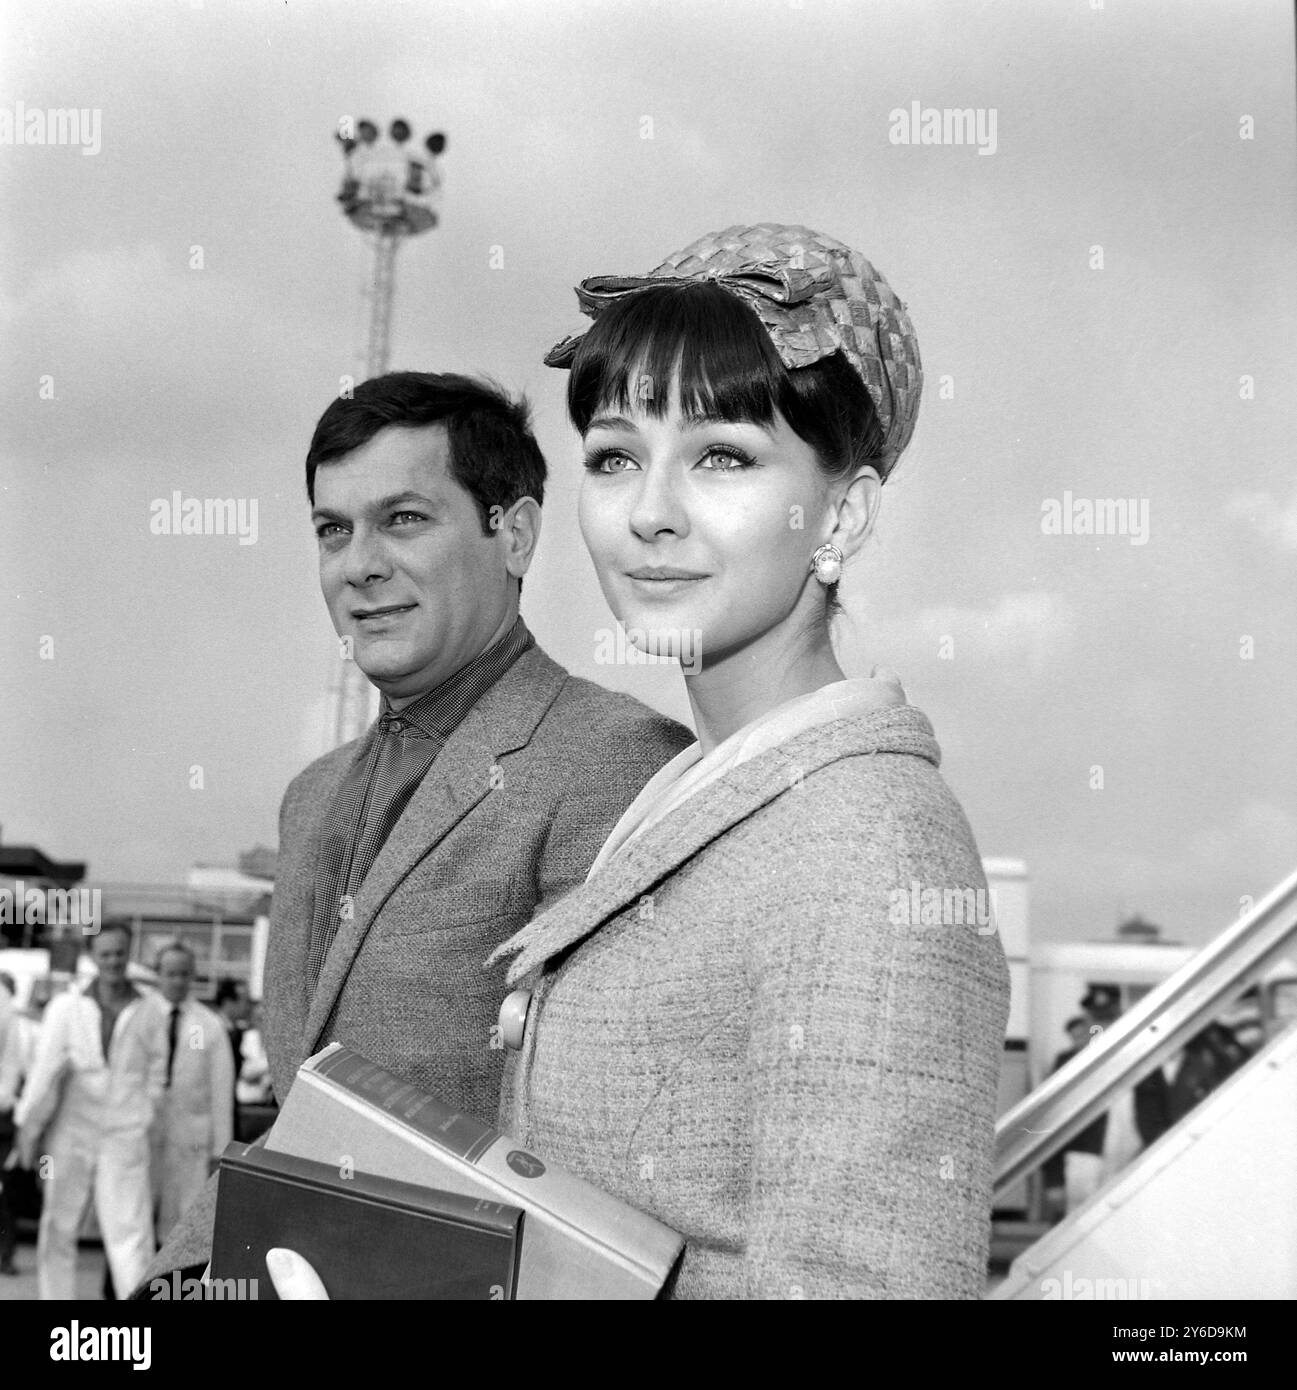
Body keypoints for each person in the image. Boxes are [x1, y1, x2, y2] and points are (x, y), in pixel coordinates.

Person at [138, 371, 692, 1293]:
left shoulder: (617, 763)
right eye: (332, 529)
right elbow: (298, 1117)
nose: (359, 564)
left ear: (512, 534)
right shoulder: (312, 799)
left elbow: (601, 1159)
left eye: (404, 519)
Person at [14, 922, 166, 1299]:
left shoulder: (151, 1010)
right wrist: (27, 1127)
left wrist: (144, 1111)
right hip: (70, 1132)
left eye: (119, 953)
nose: (113, 961)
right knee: (58, 1225)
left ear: (128, 954)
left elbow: (158, 1071)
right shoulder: (66, 1007)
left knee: (129, 1230)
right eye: (105, 954)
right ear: (93, 957)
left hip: (125, 1133)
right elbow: (44, 1070)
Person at [147, 944, 235, 1244]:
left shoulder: (210, 1026)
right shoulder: (141, 1018)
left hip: (193, 1139)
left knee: (184, 1220)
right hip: (146, 1132)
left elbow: (222, 1094)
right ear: (157, 975)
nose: (177, 981)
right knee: (139, 1213)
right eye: (170, 973)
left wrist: (220, 1151)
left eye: (184, 974)